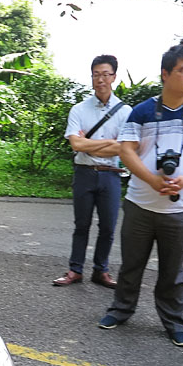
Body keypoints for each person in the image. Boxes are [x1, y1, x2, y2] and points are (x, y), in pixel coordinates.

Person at [98, 45, 183, 347]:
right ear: (165, 74)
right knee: (131, 264)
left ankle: (174, 322)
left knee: (172, 270)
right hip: (141, 203)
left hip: (182, 207)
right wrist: (152, 180)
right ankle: (121, 309)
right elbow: (127, 150)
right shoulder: (142, 111)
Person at [55, 54, 131, 289]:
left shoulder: (125, 111)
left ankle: (101, 270)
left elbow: (124, 147)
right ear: (91, 77)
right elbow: (76, 145)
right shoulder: (79, 109)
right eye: (96, 74)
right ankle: (75, 270)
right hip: (84, 172)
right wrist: (109, 144)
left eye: (105, 74)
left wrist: (91, 143)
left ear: (114, 77)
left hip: (111, 174)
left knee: (108, 226)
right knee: (82, 225)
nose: (100, 79)